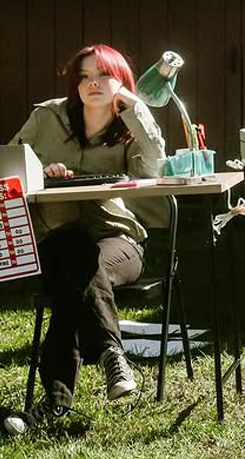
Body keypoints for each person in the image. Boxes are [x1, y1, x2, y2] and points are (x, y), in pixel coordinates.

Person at [3, 44, 165, 435]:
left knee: (75, 282)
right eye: (84, 76)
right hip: (58, 238)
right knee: (73, 254)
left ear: (121, 82)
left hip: (117, 239)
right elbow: (9, 166)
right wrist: (42, 170)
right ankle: (112, 353)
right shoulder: (47, 117)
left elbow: (155, 166)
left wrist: (136, 109)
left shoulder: (128, 125)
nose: (93, 82)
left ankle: (52, 406)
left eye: (104, 74)